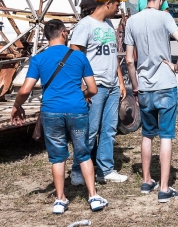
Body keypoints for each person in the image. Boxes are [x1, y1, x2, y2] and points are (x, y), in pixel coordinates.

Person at [11, 19, 108, 214]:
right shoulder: (79, 57)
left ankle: (60, 199)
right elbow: (93, 89)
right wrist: (81, 96)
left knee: (57, 157)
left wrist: (17, 105)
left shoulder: (38, 59)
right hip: (77, 110)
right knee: (83, 153)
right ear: (63, 33)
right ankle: (93, 196)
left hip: (51, 112)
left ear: (46, 36)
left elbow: (25, 89)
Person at [124, 0, 178, 203]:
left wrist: (135, 85)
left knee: (147, 135)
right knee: (166, 136)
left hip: (144, 85)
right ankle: (164, 188)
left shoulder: (132, 21)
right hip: (165, 83)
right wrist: (177, 67)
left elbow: (129, 60)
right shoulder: (165, 17)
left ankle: (146, 181)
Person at [68, 0, 128, 186]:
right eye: (117, 3)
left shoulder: (109, 24)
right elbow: (75, 57)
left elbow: (112, 56)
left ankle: (105, 169)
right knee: (90, 130)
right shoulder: (85, 25)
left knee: (109, 129)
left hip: (111, 86)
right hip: (96, 87)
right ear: (108, 3)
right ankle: (77, 170)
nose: (118, 7)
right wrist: (82, 86)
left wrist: (120, 81)